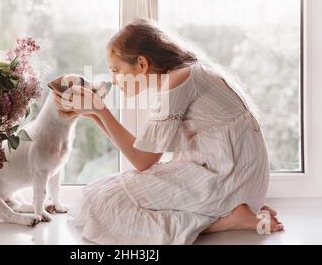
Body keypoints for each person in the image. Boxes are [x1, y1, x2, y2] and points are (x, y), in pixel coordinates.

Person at [54, 18, 284, 244]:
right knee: (100, 195)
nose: (114, 80)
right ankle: (230, 213)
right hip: (239, 178)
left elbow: (143, 160)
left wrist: (100, 111)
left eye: (116, 70)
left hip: (229, 180)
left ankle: (225, 219)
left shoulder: (177, 81)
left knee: (102, 203)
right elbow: (146, 158)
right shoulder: (187, 72)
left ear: (142, 64)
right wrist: (93, 112)